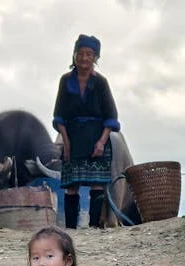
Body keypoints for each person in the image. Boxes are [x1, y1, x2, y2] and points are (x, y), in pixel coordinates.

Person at [53, 34, 121, 229]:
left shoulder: (101, 83)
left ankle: (94, 228)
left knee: (97, 183)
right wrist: (66, 143)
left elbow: (111, 116)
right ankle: (71, 230)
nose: (84, 58)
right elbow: (59, 115)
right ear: (74, 55)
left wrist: (101, 142)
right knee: (71, 186)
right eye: (80, 53)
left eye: (89, 54)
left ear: (95, 58)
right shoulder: (65, 81)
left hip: (96, 137)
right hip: (73, 137)